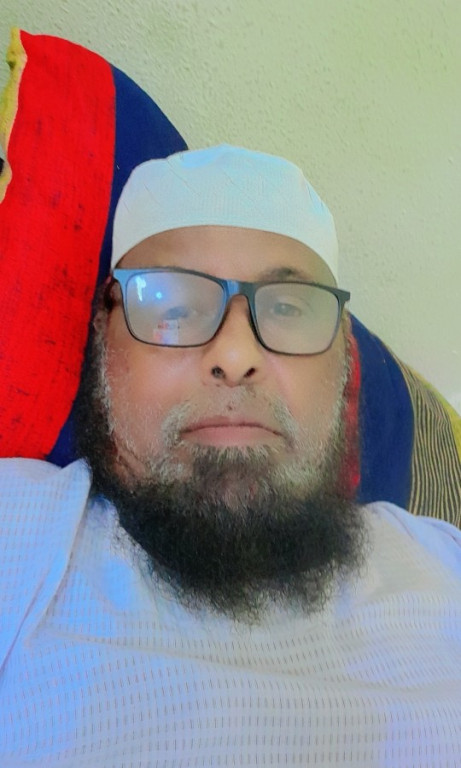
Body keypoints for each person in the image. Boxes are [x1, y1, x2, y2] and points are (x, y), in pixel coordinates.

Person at [1, 144, 460, 767]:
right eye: (172, 306)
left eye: (288, 308)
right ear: (104, 342)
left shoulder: (446, 572)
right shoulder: (18, 536)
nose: (235, 355)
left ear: (344, 363)